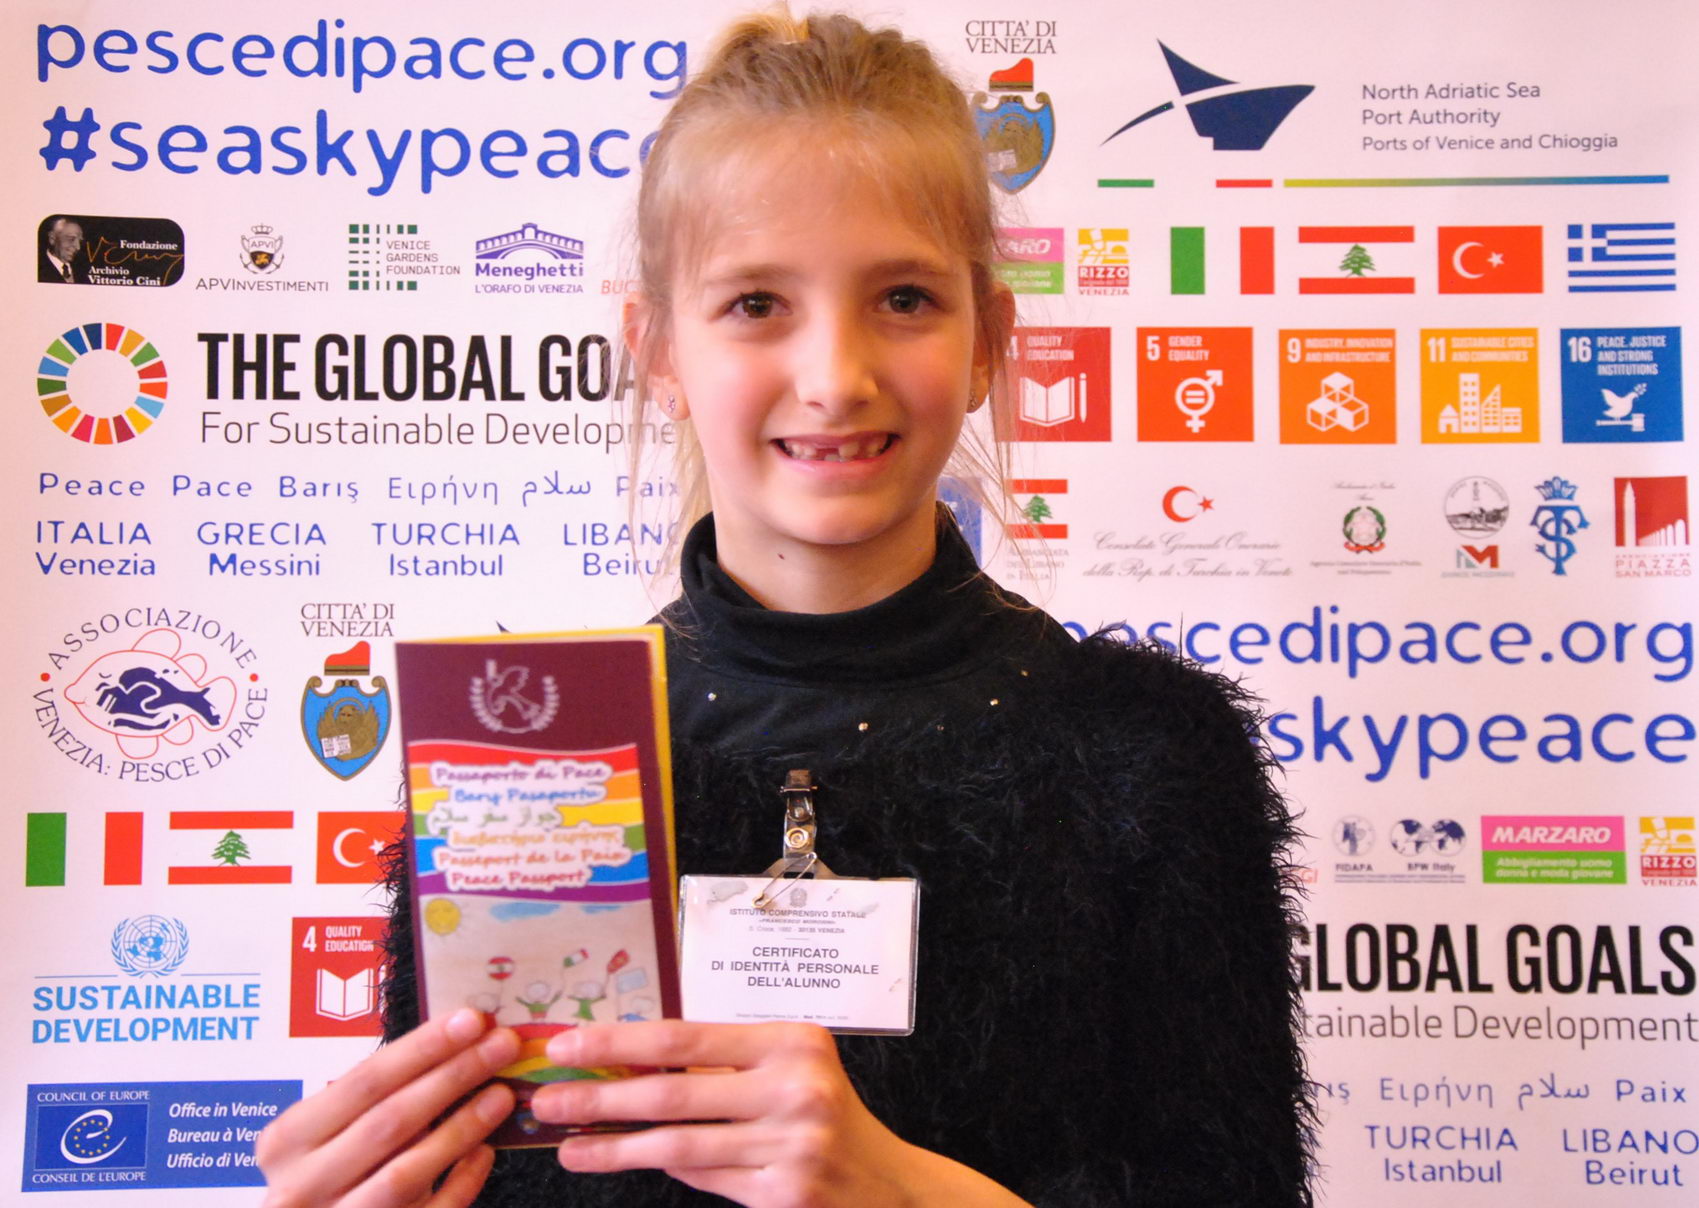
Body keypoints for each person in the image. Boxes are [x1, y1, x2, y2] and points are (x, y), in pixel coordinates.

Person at [256, 11, 1313, 1207]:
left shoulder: (1150, 753)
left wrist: (898, 1189)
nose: (833, 377)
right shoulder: (518, 760)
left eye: (903, 296)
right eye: (757, 303)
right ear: (659, 349)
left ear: (987, 340)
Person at [39, 215, 88, 284]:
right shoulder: (37, 269)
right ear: (52, 238)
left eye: (80, 241)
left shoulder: (83, 271)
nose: (78, 247)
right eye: (71, 239)